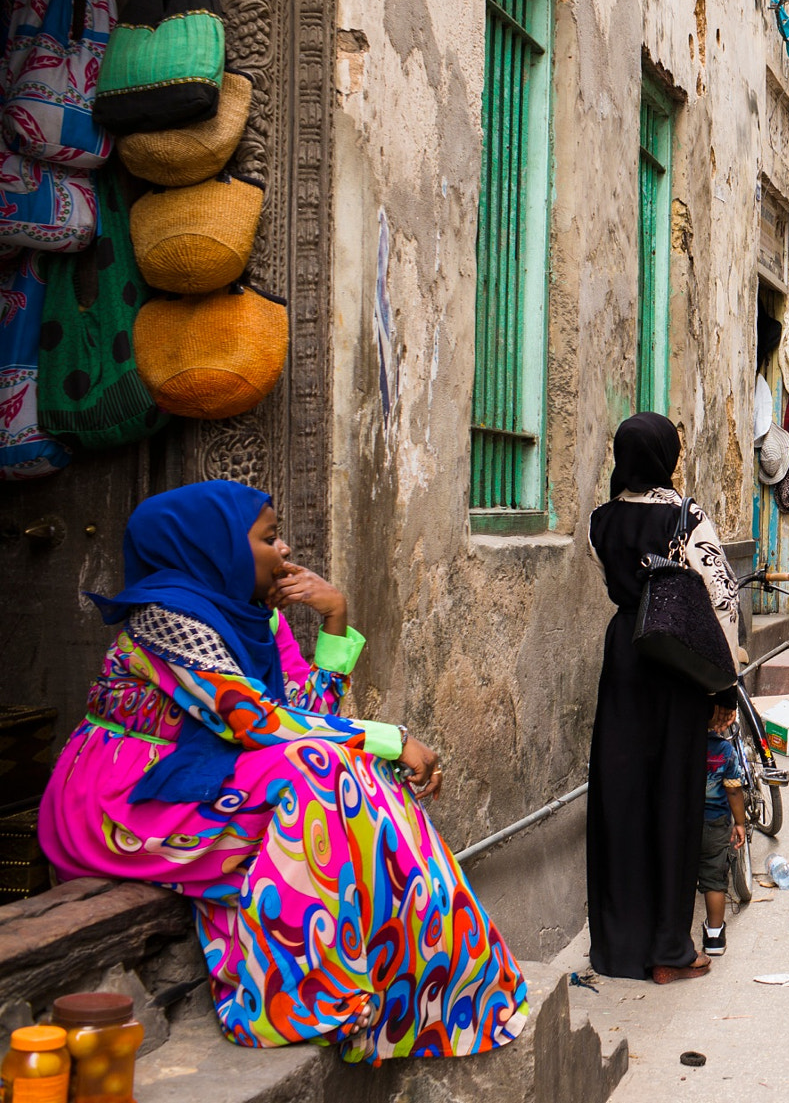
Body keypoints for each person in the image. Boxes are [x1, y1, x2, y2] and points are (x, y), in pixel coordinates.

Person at [38, 480, 527, 1061]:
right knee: (323, 767)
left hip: (194, 785)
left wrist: (336, 620)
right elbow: (260, 726)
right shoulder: (165, 618)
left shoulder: (250, 619)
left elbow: (307, 716)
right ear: (213, 547)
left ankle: (432, 987)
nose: (286, 550)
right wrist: (393, 739)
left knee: (349, 766)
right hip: (120, 805)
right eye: (270, 538)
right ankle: (294, 1001)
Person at [587, 412, 741, 984]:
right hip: (675, 665)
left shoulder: (599, 520)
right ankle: (669, 951)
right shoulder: (686, 516)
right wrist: (724, 683)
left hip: (624, 659)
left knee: (620, 798)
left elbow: (611, 576)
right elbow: (721, 601)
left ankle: (619, 947)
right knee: (672, 799)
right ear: (667, 456)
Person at [697, 704, 749, 957]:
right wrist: (739, 822)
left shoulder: (677, 745)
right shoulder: (725, 750)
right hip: (716, 823)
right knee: (714, 880)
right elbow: (733, 789)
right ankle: (715, 936)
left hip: (681, 824)